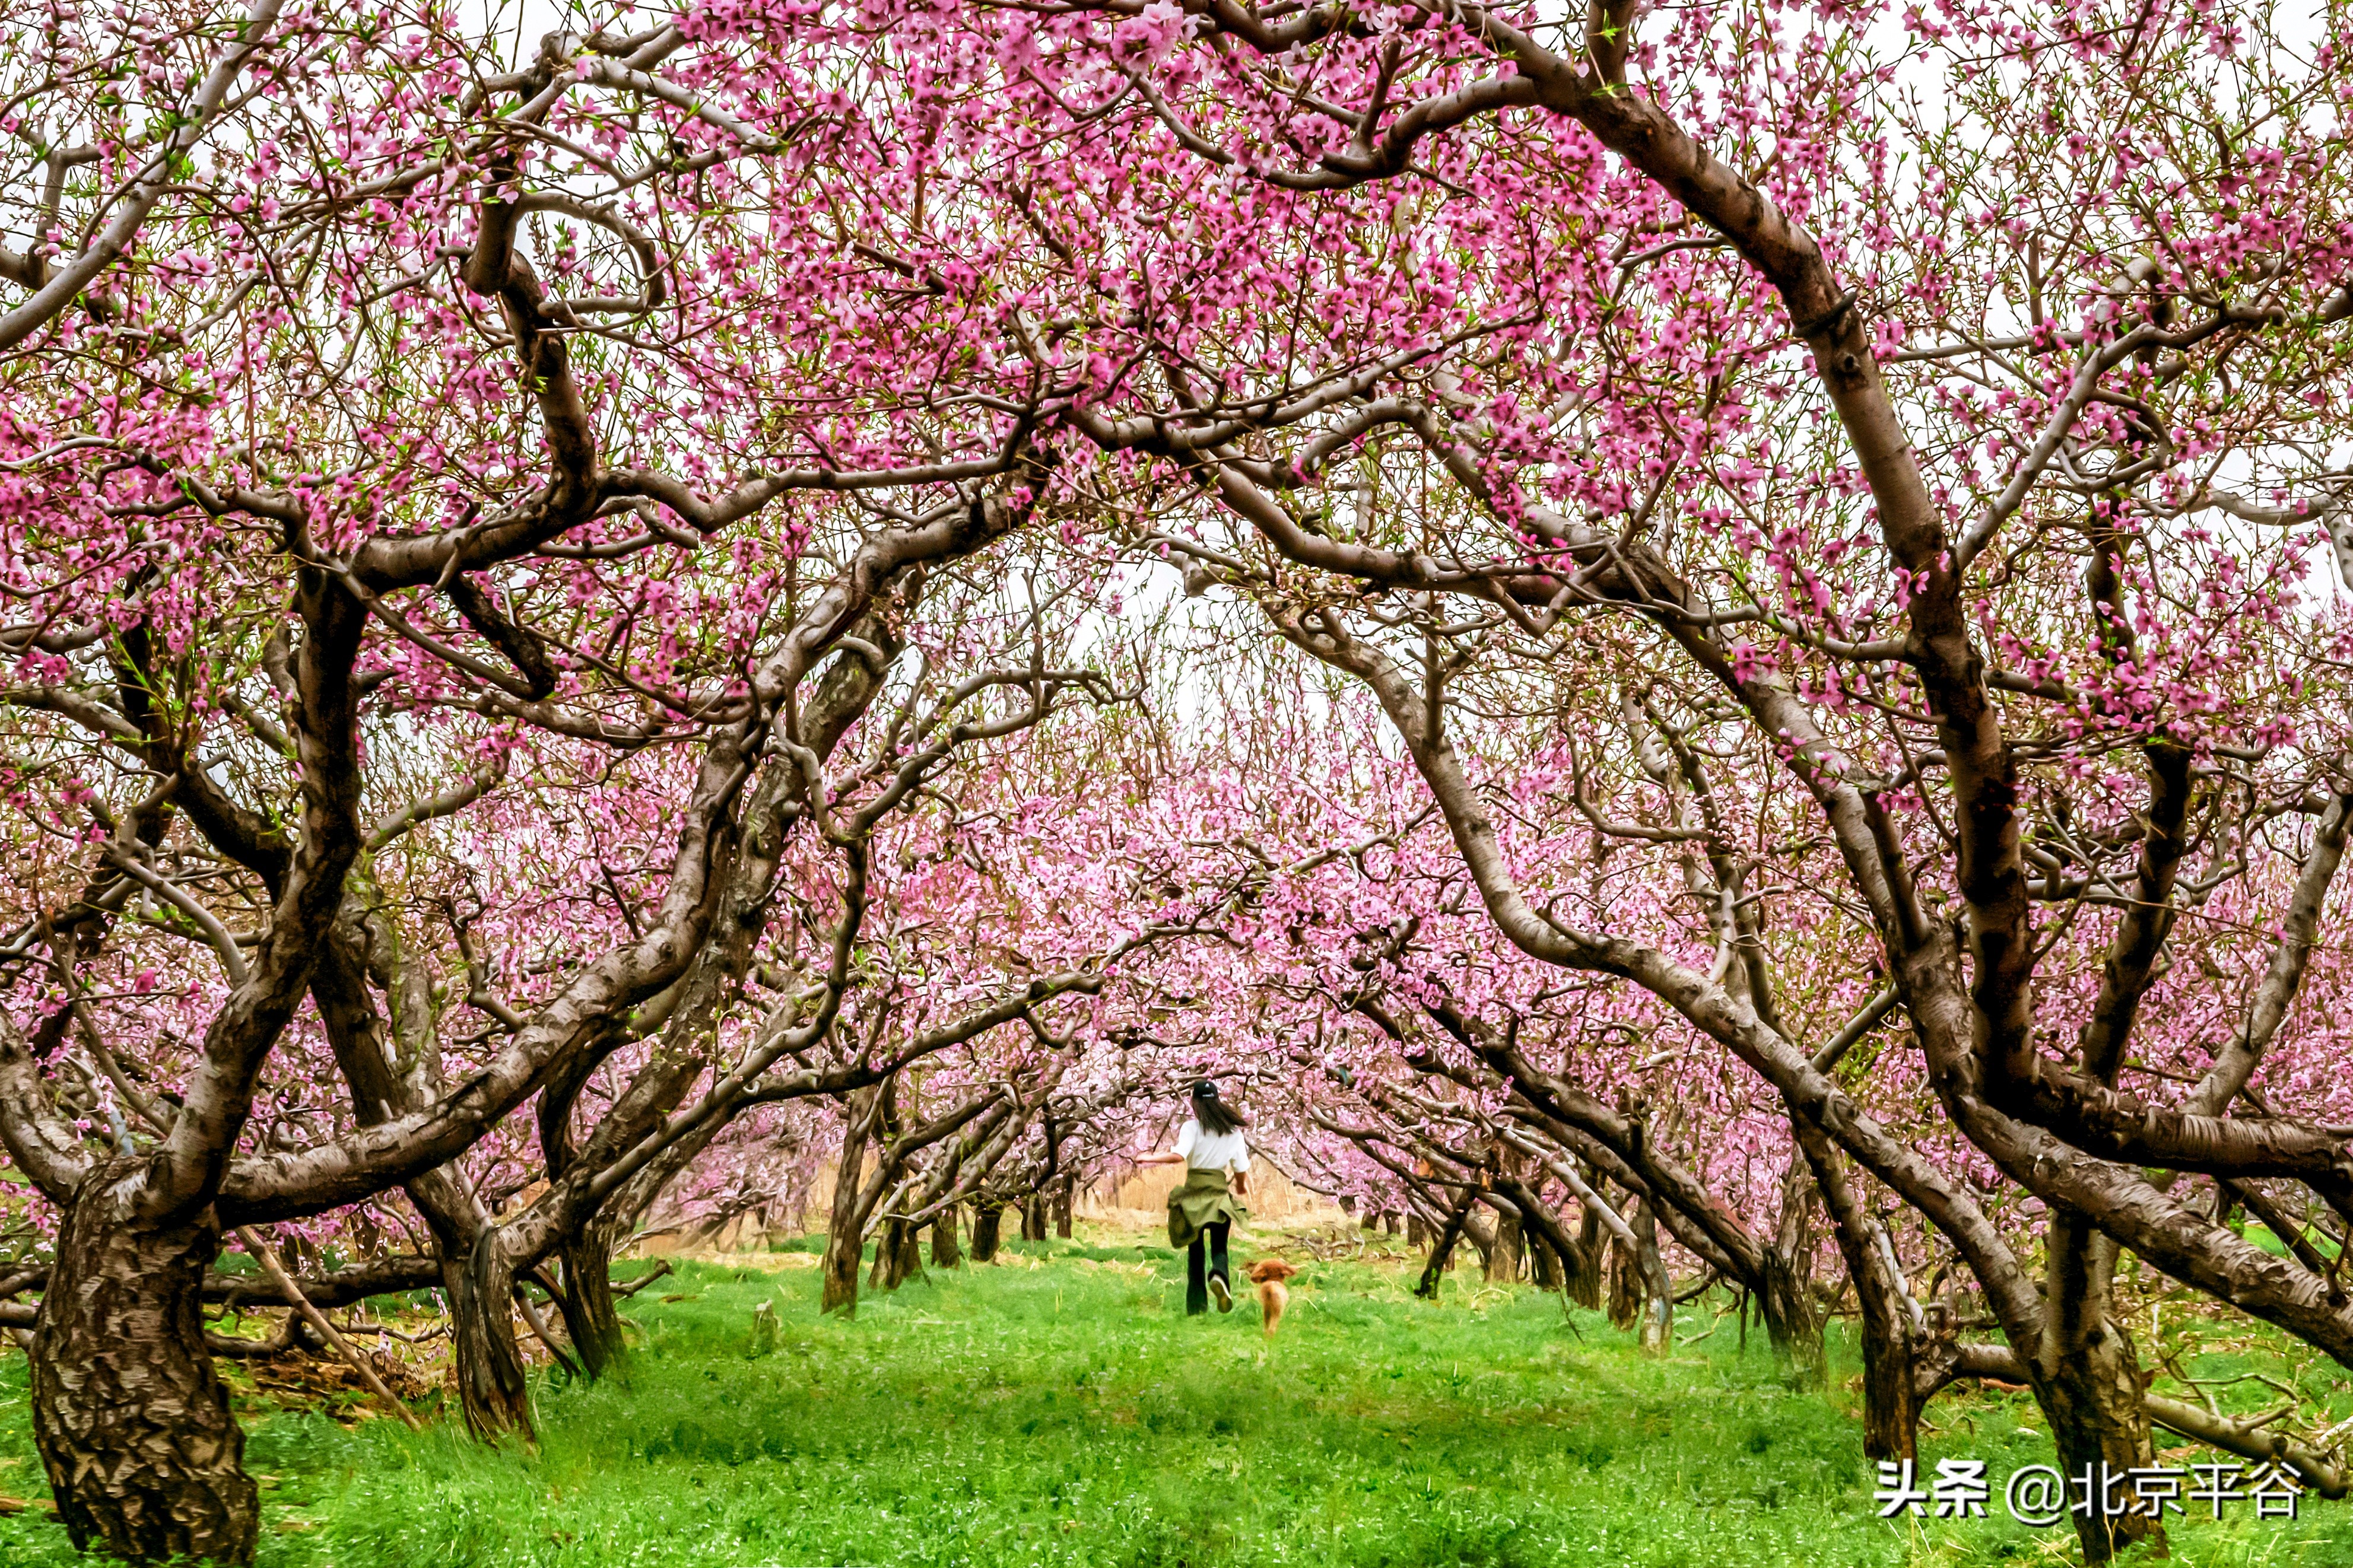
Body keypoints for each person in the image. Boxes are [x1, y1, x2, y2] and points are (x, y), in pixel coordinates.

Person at [1139, 1080, 1251, 1314]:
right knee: (1220, 1247)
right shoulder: (1233, 1132)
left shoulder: (1191, 1128)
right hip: (1219, 1196)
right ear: (1218, 1101)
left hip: (1193, 1196)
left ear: (1194, 1102)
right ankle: (1219, 1275)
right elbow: (1241, 1168)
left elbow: (1179, 1156)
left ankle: (1197, 1308)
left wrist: (1149, 1157)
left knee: (1196, 1253)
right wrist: (1241, 1187)